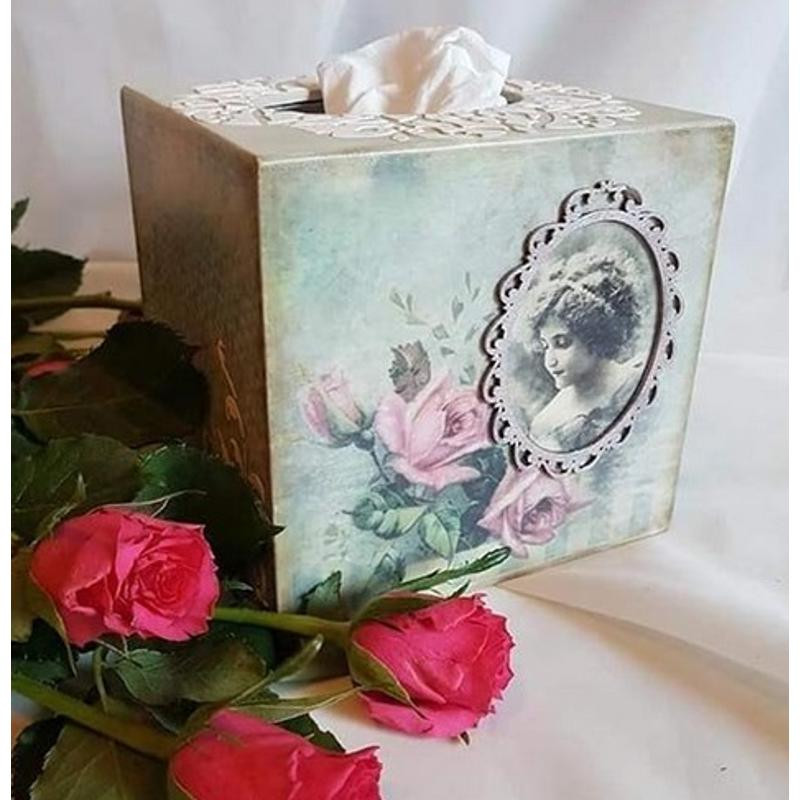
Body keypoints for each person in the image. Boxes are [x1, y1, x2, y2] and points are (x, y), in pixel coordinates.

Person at [525, 244, 647, 452]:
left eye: (562, 343)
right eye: (545, 346)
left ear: (594, 336)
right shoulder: (547, 425)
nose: (550, 360)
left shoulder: (639, 376)